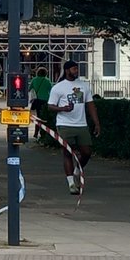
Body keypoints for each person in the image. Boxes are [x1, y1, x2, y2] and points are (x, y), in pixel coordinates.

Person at [46, 60, 99, 194]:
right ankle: (71, 183)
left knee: (86, 152)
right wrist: (63, 108)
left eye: (77, 69)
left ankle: (77, 171)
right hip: (65, 124)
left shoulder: (83, 86)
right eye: (74, 69)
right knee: (68, 152)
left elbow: (90, 105)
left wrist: (96, 123)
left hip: (81, 124)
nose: (76, 71)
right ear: (67, 70)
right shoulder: (58, 87)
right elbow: (50, 106)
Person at [29, 66, 53, 141]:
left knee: (38, 117)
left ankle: (36, 133)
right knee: (44, 118)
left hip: (37, 101)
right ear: (45, 73)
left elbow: (29, 88)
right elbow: (51, 90)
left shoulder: (34, 80)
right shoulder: (47, 81)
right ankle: (43, 133)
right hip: (45, 101)